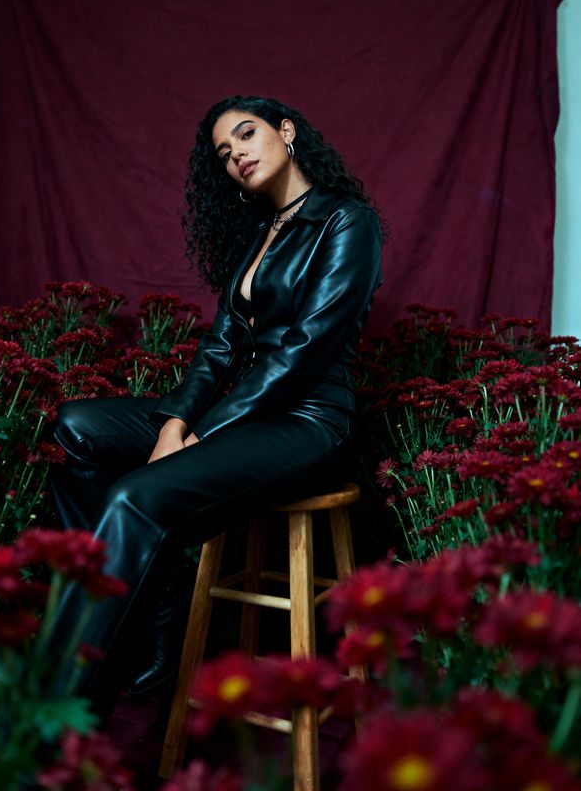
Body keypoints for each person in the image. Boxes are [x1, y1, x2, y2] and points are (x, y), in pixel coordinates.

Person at [48, 95, 383, 715]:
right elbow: (219, 348)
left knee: (133, 495)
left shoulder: (346, 222)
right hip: (249, 413)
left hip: (310, 423)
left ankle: (54, 710)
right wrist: (177, 420)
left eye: (247, 136)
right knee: (76, 428)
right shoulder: (261, 235)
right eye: (225, 155)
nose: (238, 157)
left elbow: (304, 353)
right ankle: (150, 618)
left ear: (287, 132)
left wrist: (208, 432)